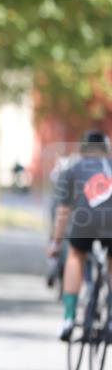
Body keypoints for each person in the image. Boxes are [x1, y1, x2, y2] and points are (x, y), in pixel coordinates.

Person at [49, 130, 112, 342]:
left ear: (83, 149)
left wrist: (56, 242)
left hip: (84, 223)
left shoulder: (72, 169)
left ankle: (68, 318)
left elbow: (63, 212)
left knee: (75, 255)